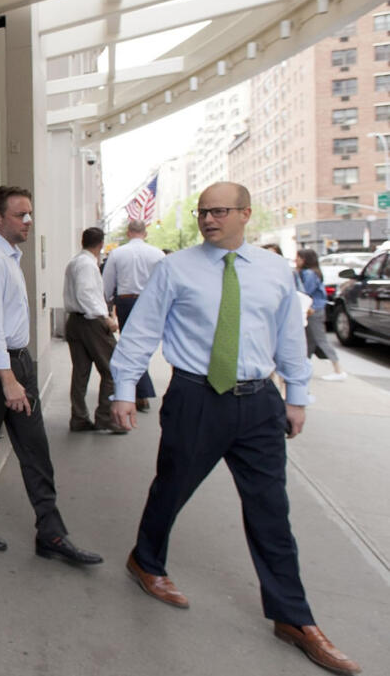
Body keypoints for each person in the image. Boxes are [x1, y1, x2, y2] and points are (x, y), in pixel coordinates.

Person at [110, 182, 360, 675]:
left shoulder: (272, 272)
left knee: (271, 509)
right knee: (172, 487)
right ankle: (146, 561)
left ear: (246, 214)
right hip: (196, 398)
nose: (208, 219)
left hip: (259, 403)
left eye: (220, 211)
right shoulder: (175, 267)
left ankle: (293, 617)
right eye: (204, 211)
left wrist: (297, 398)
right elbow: (142, 331)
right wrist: (122, 389)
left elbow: (289, 337)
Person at [0, 186, 103, 566]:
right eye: (21, 215)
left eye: (30, 214)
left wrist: (19, 373)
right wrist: (8, 380)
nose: (28, 221)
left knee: (35, 449)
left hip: (16, 363)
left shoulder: (9, 258)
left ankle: (51, 533)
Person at [62, 226, 122, 433]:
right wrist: (105, 318)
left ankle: (79, 418)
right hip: (91, 320)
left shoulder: (75, 262)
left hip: (75, 321)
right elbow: (86, 294)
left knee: (80, 372)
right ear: (100, 244)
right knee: (113, 368)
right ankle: (105, 417)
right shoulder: (87, 264)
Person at [102, 219, 165, 412]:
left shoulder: (117, 254)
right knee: (144, 344)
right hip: (151, 300)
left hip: (127, 300)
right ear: (145, 234)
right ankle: (140, 392)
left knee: (130, 344)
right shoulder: (158, 254)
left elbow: (107, 282)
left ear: (129, 233)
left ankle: (140, 392)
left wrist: (106, 303)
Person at [295, 248, 346, 381]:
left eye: (298, 258)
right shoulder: (312, 272)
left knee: (320, 339)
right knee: (310, 341)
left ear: (304, 259)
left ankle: (338, 369)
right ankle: (303, 368)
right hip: (314, 309)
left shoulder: (309, 274)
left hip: (313, 309)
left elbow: (305, 293)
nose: (296, 260)